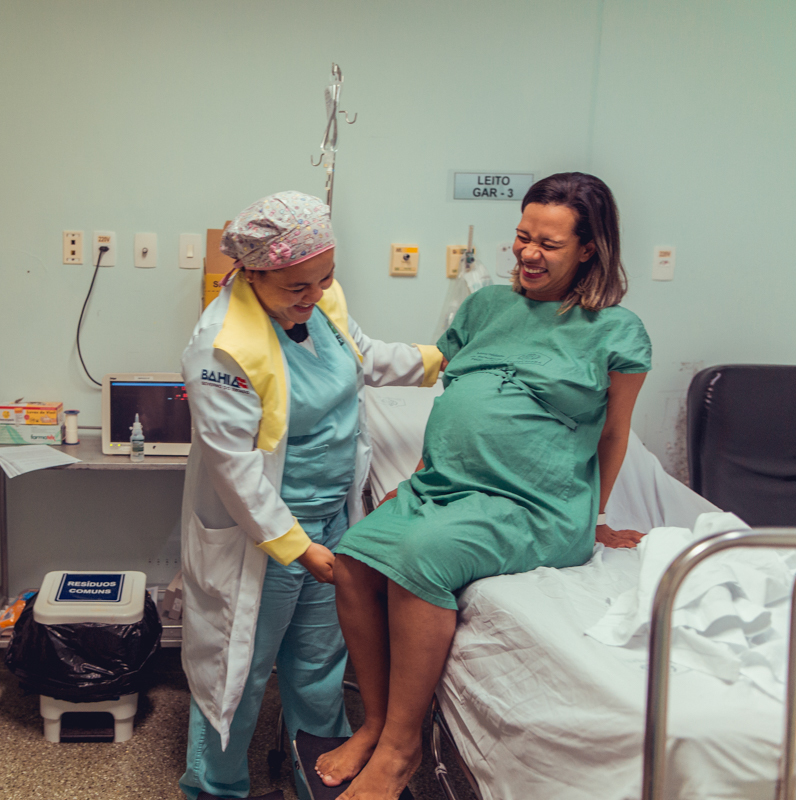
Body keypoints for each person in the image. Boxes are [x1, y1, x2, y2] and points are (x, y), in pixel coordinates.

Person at [317, 172, 651, 800]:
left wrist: (592, 517)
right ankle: (376, 721)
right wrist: (417, 481)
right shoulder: (483, 307)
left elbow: (613, 435)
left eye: (548, 245)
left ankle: (400, 747)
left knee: (419, 560)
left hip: (533, 504)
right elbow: (459, 399)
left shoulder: (617, 331)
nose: (528, 254)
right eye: (523, 237)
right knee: (354, 558)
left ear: (589, 248)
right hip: (443, 485)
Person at [178, 191, 444, 800]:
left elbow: (363, 356)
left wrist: (438, 358)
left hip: (333, 522)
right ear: (253, 273)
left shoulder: (320, 302)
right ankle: (215, 789)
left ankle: (314, 777)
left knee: (321, 670)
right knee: (237, 677)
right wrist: (299, 550)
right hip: (264, 539)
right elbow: (236, 471)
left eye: (325, 277)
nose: (315, 294)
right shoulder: (223, 346)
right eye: (298, 286)